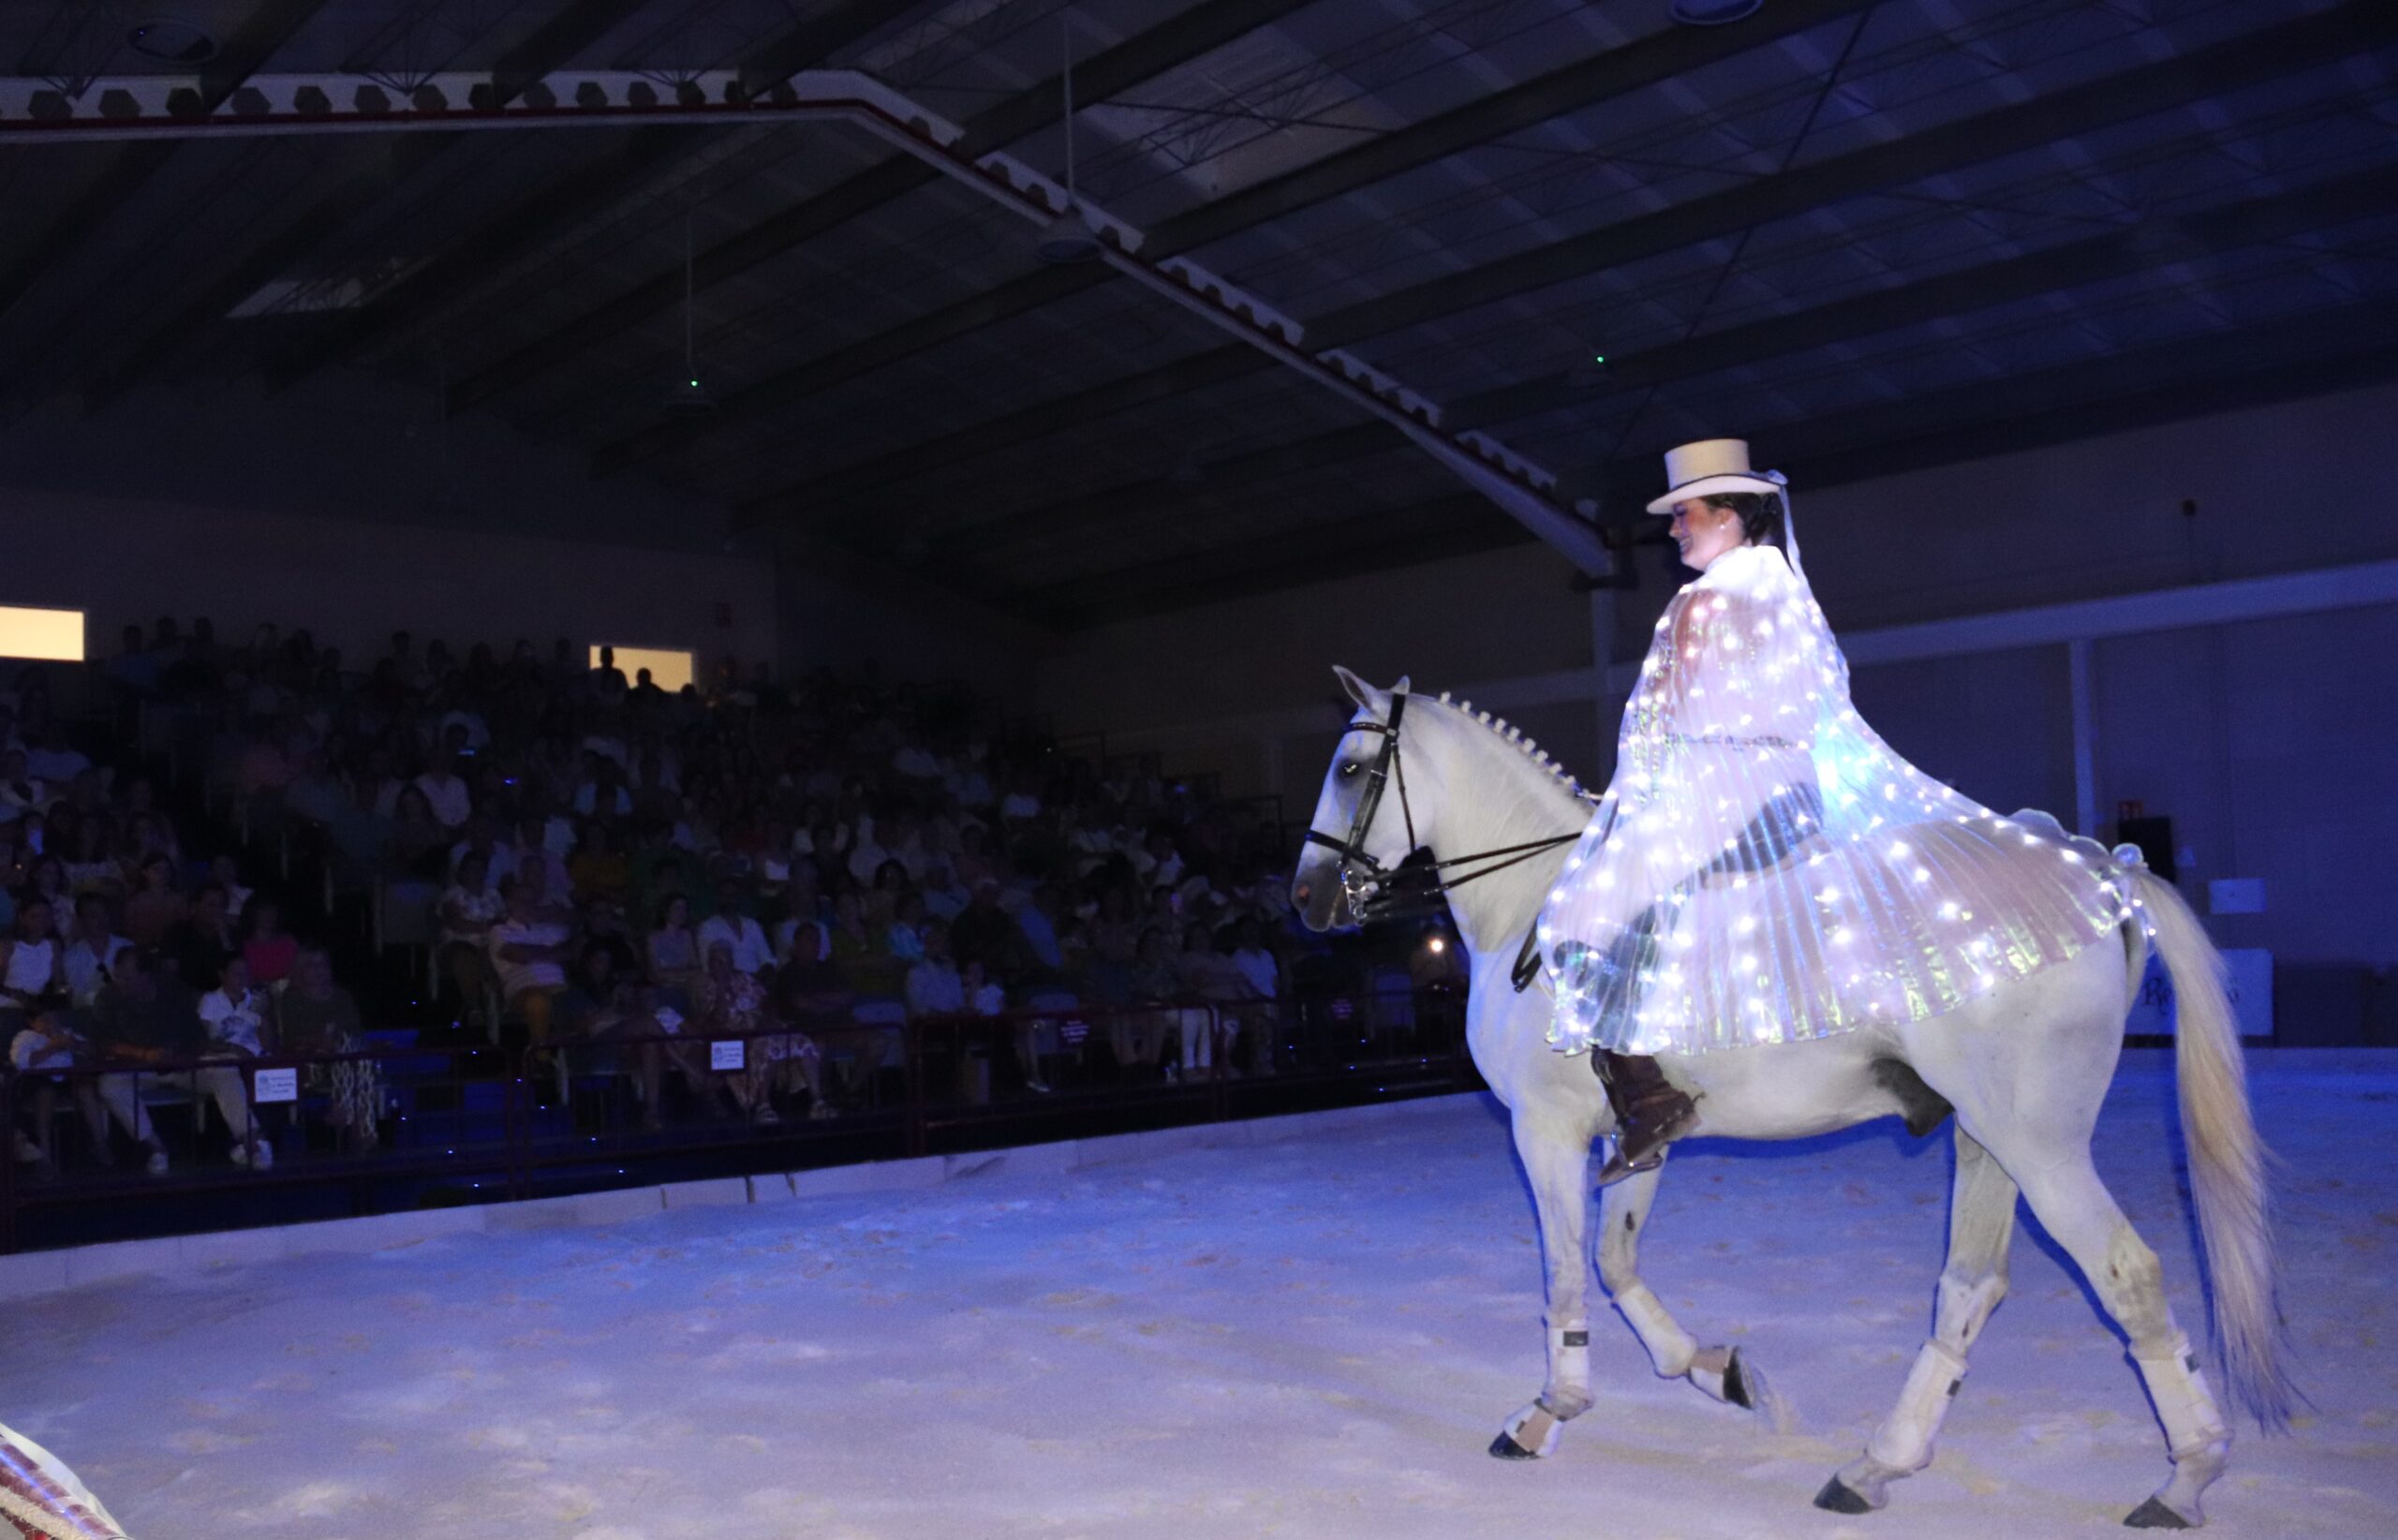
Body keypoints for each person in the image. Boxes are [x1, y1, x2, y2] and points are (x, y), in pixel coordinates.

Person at [1535, 440, 2130, 1182]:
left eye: (1684, 514)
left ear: (1729, 514)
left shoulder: (1704, 600)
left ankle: (1649, 1096)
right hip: (1794, 792)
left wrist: (1632, 800)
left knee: (1598, 911)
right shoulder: (1786, 591)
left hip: (1723, 793)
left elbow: (1672, 719)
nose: (1674, 530)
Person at [274, 946, 380, 1153]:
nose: (317, 970)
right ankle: (364, 1132)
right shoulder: (292, 997)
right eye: (311, 965)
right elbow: (291, 1040)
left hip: (344, 1059)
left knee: (353, 1053)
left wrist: (335, 1042)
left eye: (321, 964)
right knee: (357, 1060)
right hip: (309, 1061)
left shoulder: (342, 996)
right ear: (300, 969)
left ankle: (341, 1109)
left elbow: (356, 1034)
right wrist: (319, 1041)